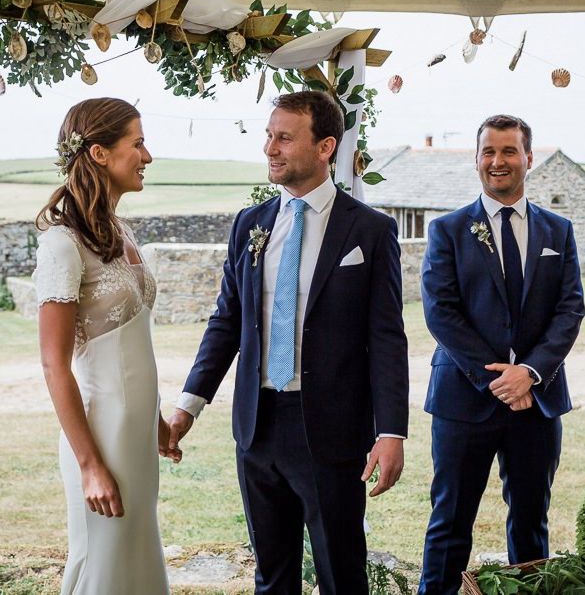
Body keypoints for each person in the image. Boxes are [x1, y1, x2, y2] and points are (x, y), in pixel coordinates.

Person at [167, 91, 409, 594]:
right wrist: (188, 407)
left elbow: (386, 338)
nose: (269, 148)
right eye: (269, 135)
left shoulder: (370, 230)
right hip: (256, 426)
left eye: (283, 137)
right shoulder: (250, 225)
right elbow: (226, 321)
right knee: (271, 576)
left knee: (341, 573)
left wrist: (391, 432)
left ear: (325, 147)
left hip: (332, 430)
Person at [418, 114, 584, 594]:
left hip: (538, 400)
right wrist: (498, 378)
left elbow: (570, 308)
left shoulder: (558, 230)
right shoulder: (448, 230)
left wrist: (529, 373)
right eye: (489, 151)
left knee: (532, 521)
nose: (498, 161)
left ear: (528, 158)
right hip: (463, 400)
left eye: (509, 151)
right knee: (450, 521)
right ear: (476, 160)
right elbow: (441, 312)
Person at [32, 98, 178, 595]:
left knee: (135, 556)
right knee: (103, 563)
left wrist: (156, 420)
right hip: (101, 436)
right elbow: (55, 366)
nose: (147, 155)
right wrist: (91, 465)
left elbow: (131, 340)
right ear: (98, 153)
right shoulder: (62, 244)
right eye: (137, 143)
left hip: (136, 434)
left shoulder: (120, 230)